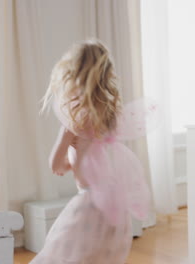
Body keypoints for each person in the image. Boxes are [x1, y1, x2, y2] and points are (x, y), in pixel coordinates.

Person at [30, 40, 151, 264]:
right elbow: (98, 156)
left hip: (90, 202)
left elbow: (55, 164)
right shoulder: (110, 115)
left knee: (63, 254)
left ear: (72, 73)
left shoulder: (73, 121)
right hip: (115, 202)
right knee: (99, 257)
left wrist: (69, 162)